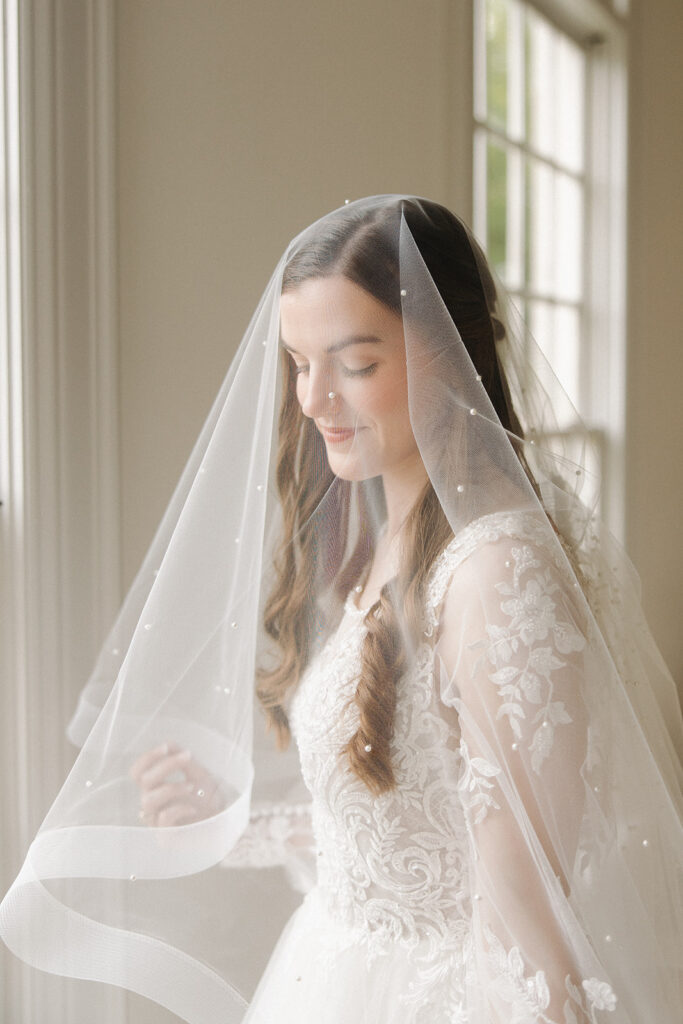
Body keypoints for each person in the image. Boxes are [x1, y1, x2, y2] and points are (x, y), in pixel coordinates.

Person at [1, 196, 681, 1024]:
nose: (314, 398)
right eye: (297, 361)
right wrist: (239, 818)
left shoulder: (497, 575)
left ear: (452, 354)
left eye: (354, 363)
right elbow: (422, 839)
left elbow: (528, 934)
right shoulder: (395, 534)